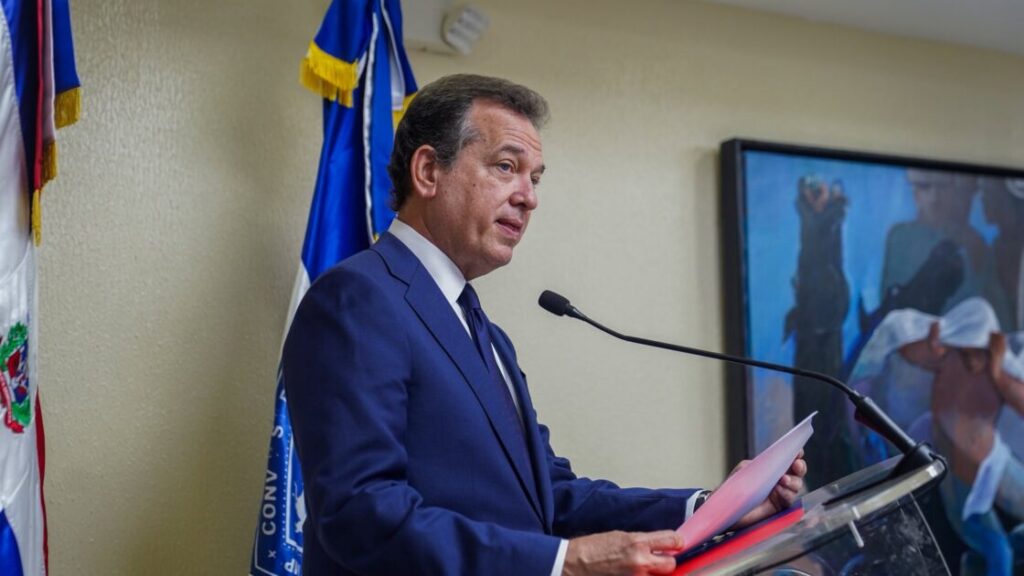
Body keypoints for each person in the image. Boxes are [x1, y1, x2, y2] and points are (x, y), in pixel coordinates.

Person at [283, 74, 806, 576]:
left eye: (534, 179)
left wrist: (711, 506)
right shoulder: (358, 300)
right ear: (428, 172)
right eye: (506, 167)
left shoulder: (485, 332)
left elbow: (550, 497)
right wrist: (562, 563)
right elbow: (360, 512)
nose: (528, 197)